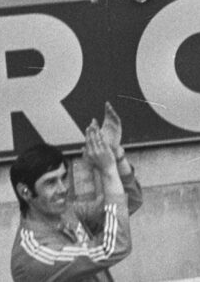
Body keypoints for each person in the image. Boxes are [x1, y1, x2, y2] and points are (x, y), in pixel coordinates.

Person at [9, 102, 144, 282]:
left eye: (63, 177)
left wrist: (116, 155)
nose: (62, 189)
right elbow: (113, 248)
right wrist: (108, 170)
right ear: (25, 192)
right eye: (50, 182)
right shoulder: (35, 254)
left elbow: (130, 200)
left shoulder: (67, 212)